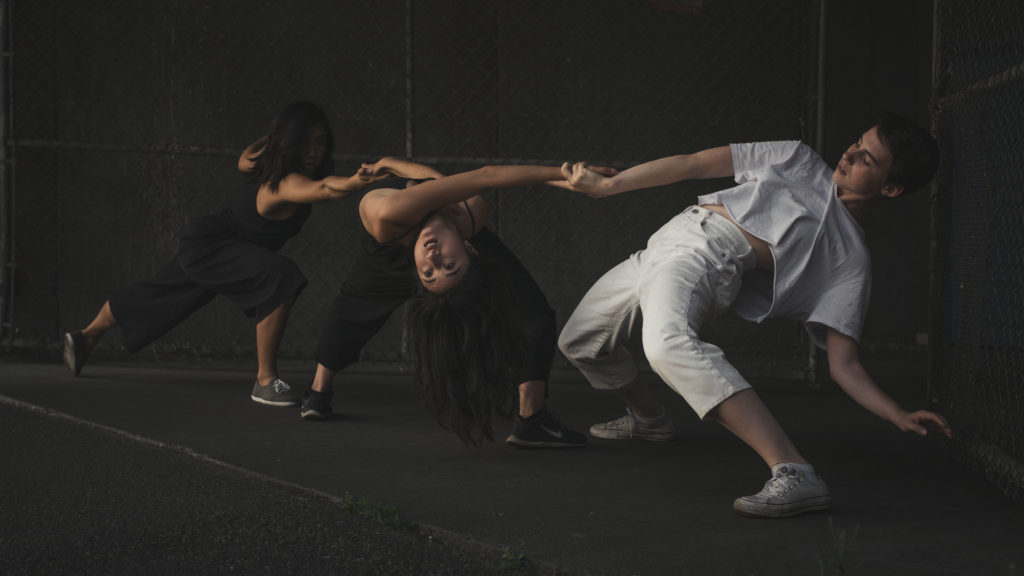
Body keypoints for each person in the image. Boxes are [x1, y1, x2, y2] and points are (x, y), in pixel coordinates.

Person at [556, 112, 952, 517]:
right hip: (664, 245)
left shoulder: (850, 259)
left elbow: (844, 365)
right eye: (857, 142)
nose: (850, 154)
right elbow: (692, 162)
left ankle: (796, 472)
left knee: (666, 345)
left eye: (868, 158)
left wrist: (897, 413)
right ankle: (650, 419)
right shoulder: (797, 158)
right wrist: (610, 185)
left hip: (705, 258)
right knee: (581, 342)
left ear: (891, 187)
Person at [62, 101, 385, 407]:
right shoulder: (286, 181)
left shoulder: (263, 163)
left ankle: (85, 337)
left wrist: (277, 138)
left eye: (319, 141)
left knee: (162, 294)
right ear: (289, 142)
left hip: (215, 242)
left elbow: (244, 158)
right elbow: (327, 188)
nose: (313, 151)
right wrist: (357, 181)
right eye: (303, 142)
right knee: (280, 276)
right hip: (212, 245)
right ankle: (265, 380)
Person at [303, 157, 611, 448]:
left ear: (472, 249)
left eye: (434, 271)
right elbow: (481, 176)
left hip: (442, 230)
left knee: (534, 314)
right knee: (353, 309)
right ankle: (319, 390)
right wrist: (566, 174)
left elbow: (442, 182)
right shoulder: (393, 216)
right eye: (445, 267)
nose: (434, 257)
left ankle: (531, 418)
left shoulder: (469, 214)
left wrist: (392, 164)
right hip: (388, 245)